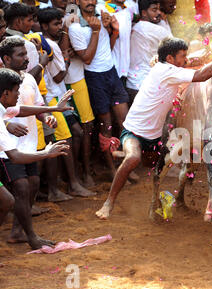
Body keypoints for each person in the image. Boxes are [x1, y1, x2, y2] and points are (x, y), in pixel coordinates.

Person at [95, 38, 212, 220]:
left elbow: (192, 64)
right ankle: (108, 203)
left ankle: (159, 203)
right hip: (133, 131)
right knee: (133, 158)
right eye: (182, 56)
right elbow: (202, 75)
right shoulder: (167, 70)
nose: (185, 59)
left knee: (157, 168)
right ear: (170, 58)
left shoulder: (167, 67)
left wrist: (199, 58)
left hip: (154, 137)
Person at [0, 37, 74, 248]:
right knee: (20, 188)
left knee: (31, 185)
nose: (26, 58)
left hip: (28, 144)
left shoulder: (30, 79)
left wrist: (50, 113)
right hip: (8, 149)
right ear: (6, 58)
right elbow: (8, 114)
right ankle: (31, 236)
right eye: (21, 55)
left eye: (26, 54)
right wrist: (6, 126)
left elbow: (24, 109)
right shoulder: (2, 81)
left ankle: (18, 231)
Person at [38, 7, 95, 199]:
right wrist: (68, 59)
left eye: (60, 24)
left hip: (57, 97)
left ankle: (69, 181)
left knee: (74, 134)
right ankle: (69, 184)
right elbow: (58, 76)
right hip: (51, 99)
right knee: (65, 139)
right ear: (45, 25)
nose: (59, 28)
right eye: (56, 25)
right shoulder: (50, 46)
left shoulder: (42, 39)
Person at [68, 0, 129, 180]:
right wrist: (95, 31)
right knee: (106, 126)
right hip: (94, 79)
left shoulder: (101, 11)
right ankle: (113, 170)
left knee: (125, 122)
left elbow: (106, 48)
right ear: (77, 1)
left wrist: (113, 30)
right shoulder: (75, 28)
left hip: (111, 73)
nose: (91, 2)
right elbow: (87, 58)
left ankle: (126, 167)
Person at [126, 0, 169, 105]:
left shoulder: (135, 27)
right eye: (154, 10)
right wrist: (164, 22)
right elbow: (177, 45)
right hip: (147, 86)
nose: (159, 13)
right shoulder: (156, 29)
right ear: (144, 13)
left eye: (159, 9)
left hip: (132, 85)